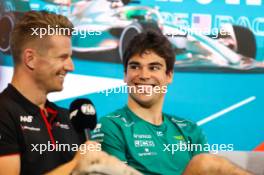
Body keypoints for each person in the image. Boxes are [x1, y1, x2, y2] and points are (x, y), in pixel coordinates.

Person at [0, 10, 141, 175]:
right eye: (62, 57)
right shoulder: (4, 113)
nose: (70, 66)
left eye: (70, 57)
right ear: (30, 59)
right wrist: (77, 164)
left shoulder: (70, 118)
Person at [91, 31, 253, 175]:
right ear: (125, 75)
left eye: (154, 68)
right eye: (135, 67)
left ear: (169, 75)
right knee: (206, 163)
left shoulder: (189, 129)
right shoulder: (111, 126)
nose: (144, 75)